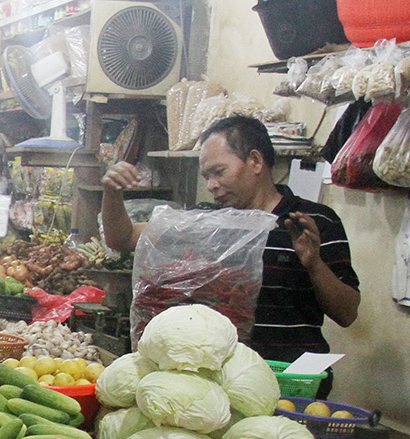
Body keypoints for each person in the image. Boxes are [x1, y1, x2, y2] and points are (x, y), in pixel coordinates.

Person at [101, 115, 359, 366]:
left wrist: (314, 265)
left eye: (219, 172)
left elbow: (347, 313)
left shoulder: (313, 221)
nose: (212, 185)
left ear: (256, 161)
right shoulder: (206, 222)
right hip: (216, 378)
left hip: (290, 379)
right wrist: (112, 193)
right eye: (206, 177)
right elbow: (122, 238)